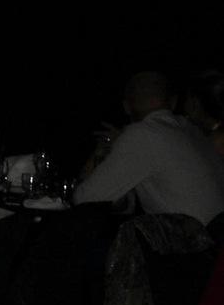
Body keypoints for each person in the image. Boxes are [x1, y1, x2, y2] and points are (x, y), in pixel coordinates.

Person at [74, 70, 224, 226]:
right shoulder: (190, 130)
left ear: (126, 107)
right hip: (212, 241)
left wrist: (100, 152)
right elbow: (125, 204)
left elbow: (84, 200)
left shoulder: (142, 134)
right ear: (172, 103)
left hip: (200, 246)